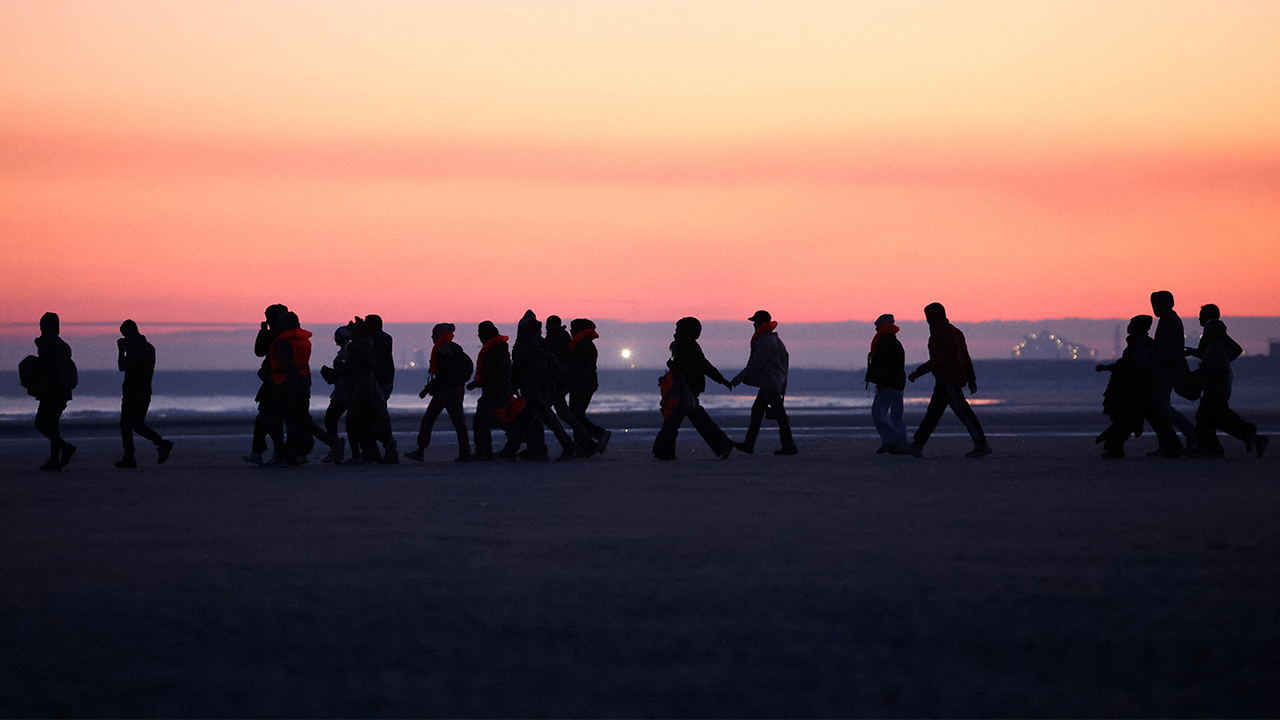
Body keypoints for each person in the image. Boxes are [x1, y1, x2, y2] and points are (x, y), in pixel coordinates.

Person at [505, 310, 597, 461]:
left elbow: (541, 366)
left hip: (540, 387)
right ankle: (515, 449)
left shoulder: (535, 345)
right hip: (538, 387)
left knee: (550, 418)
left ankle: (572, 445)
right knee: (528, 419)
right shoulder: (535, 343)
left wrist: (553, 382)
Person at [906, 303, 992, 458]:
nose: (927, 320)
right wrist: (971, 380)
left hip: (948, 380)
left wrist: (918, 373)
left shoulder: (940, 334)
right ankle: (917, 444)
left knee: (962, 413)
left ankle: (981, 444)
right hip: (948, 379)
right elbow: (965, 358)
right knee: (934, 413)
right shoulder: (955, 332)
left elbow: (938, 360)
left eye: (928, 316)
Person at [1184, 306, 1269, 458]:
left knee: (1206, 416)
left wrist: (1219, 365)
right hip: (1219, 383)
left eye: (1202, 316)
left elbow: (1213, 362)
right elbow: (1212, 355)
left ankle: (1212, 447)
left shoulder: (1214, 336)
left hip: (1215, 385)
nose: (1199, 319)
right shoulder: (1214, 338)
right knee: (1219, 416)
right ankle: (1250, 437)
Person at [652, 316, 736, 461]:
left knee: (674, 420)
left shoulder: (687, 346)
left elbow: (702, 366)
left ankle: (664, 452)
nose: (676, 331)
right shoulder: (684, 345)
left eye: (678, 328)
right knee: (696, 419)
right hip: (687, 387)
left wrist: (720, 379)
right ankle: (723, 445)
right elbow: (701, 366)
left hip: (686, 388)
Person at [267, 311, 341, 466]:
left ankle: (326, 444)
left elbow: (289, 366)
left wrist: (289, 386)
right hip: (304, 382)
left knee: (294, 420)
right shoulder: (303, 340)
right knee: (301, 419)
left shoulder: (283, 342)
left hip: (288, 384)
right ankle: (299, 452)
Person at [1095, 315, 1165, 459]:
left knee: (1128, 419)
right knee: (1132, 419)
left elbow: (1134, 366)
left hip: (1132, 389)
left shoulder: (1140, 345)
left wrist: (1111, 368)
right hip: (1133, 388)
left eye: (1131, 324)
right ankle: (1114, 446)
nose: (1128, 327)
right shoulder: (1140, 343)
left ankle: (1114, 446)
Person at [730, 310, 796, 455]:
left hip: (769, 382)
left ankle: (788, 446)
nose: (753, 324)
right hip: (774, 381)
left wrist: (738, 379)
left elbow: (756, 363)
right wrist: (783, 386)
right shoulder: (776, 340)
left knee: (778, 415)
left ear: (759, 323)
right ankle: (749, 444)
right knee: (759, 412)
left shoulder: (764, 340)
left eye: (755, 321)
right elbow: (785, 363)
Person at [406, 323, 474, 462]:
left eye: (433, 335)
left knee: (429, 420)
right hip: (456, 389)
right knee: (459, 422)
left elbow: (444, 373)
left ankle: (420, 451)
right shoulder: (453, 347)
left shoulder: (443, 349)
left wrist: (428, 388)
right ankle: (465, 452)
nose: (432, 337)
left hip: (446, 391)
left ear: (438, 335)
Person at [115, 320, 174, 468]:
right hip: (144, 391)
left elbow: (122, 366)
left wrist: (121, 351)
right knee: (136, 424)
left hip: (134, 392)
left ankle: (132, 455)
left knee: (128, 425)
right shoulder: (148, 347)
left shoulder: (138, 349)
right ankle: (156, 445)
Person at [1149, 290, 1194, 455]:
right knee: (1162, 407)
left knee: (1161, 408)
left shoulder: (1168, 320)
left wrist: (1156, 360)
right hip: (1167, 368)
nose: (1154, 308)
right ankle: (1182, 436)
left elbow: (1165, 348)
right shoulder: (1170, 319)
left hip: (1166, 369)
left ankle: (1186, 434)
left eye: (1156, 304)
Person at [32, 312, 77, 471]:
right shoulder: (61, 345)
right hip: (61, 391)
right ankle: (54, 458)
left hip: (53, 391)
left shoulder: (49, 345)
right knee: (52, 425)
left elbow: (48, 369)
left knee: (41, 423)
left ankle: (65, 448)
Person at [244, 304, 288, 465]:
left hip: (276, 382)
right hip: (276, 380)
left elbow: (259, 351)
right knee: (265, 418)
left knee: (271, 419)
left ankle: (277, 453)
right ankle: (259, 451)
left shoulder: (278, 335)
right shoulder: (284, 334)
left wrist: (263, 332)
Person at [466, 321, 512, 462]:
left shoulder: (495, 349)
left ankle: (483, 452)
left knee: (482, 421)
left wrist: (481, 382)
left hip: (494, 391)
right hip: (496, 389)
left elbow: (496, 372)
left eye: (481, 333)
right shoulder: (497, 347)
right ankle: (486, 451)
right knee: (491, 420)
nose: (479, 336)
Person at [564, 318, 611, 453]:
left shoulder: (583, 345)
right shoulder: (584, 344)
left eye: (573, 328)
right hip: (584, 383)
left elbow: (579, 367)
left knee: (575, 414)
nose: (571, 331)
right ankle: (583, 444)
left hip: (582, 384)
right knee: (577, 413)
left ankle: (599, 434)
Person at [864, 313, 908, 454]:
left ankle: (891, 441)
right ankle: (901, 441)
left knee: (878, 413)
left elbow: (883, 365)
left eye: (877, 326)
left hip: (888, 384)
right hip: (898, 383)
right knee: (897, 416)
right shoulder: (895, 342)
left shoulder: (883, 342)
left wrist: (881, 381)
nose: (875, 329)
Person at [318, 324, 354, 463]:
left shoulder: (347, 352)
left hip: (344, 392)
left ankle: (335, 447)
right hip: (343, 391)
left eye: (338, 337)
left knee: (331, 418)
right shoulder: (346, 351)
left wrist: (332, 374)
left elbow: (345, 371)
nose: (336, 339)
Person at [365, 314, 398, 463]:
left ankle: (385, 445)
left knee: (374, 415)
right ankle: (381, 448)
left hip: (378, 382)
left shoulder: (376, 339)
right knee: (375, 415)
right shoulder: (385, 338)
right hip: (385, 380)